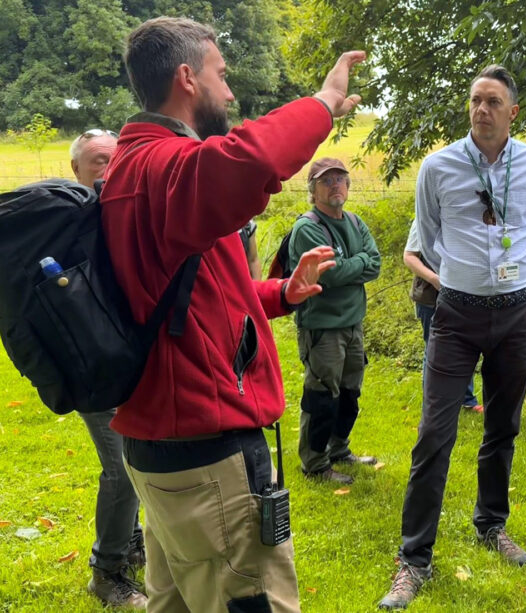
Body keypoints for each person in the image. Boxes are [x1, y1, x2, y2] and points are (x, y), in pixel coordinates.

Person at [101, 16, 364, 612]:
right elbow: (248, 160)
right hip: (205, 453)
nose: (231, 93)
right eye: (222, 75)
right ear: (187, 78)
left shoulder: (140, 168)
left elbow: (193, 293)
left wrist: (280, 295)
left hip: (166, 444)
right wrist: (323, 103)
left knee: (177, 601)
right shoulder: (162, 167)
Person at [378, 64, 526, 610]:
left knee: (503, 426)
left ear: (513, 112)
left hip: (515, 312)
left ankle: (491, 524)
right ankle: (413, 560)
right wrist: (467, 276)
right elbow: (428, 240)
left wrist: (512, 278)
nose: (482, 109)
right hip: (455, 313)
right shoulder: (438, 166)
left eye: (493, 101)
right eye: (476, 100)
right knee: (435, 431)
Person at [69, 128, 148, 610]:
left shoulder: (122, 215)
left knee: (136, 459)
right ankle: (107, 571)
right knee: (121, 467)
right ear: (75, 170)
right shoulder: (68, 221)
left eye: (116, 159)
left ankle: (132, 542)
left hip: (130, 359)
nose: (109, 167)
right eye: (99, 160)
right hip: (93, 364)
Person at [291, 157, 381, 484]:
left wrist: (349, 265)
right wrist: (354, 266)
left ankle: (339, 448)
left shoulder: (355, 222)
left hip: (353, 323)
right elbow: (330, 273)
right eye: (326, 181)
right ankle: (315, 463)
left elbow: (375, 264)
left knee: (349, 393)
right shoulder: (308, 227)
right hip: (323, 327)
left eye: (340, 179)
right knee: (321, 396)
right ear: (313, 189)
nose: (335, 185)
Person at [403, 219, 483, 413]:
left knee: (465, 346)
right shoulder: (424, 218)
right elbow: (409, 256)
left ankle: (466, 400)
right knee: (434, 350)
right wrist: (435, 279)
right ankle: (432, 405)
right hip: (431, 296)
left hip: (463, 294)